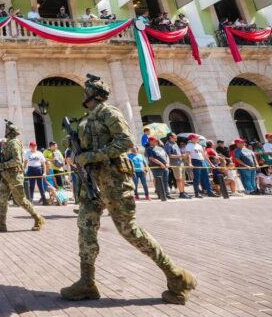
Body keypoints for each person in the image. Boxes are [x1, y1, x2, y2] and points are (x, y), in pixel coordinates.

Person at [60, 74, 196, 305]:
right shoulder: (87, 117)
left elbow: (126, 141)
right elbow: (87, 144)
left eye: (86, 91)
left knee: (128, 229)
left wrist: (91, 155)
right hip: (92, 180)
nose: (83, 94)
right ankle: (87, 281)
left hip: (113, 179)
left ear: (92, 94)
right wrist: (74, 151)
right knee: (85, 226)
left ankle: (176, 276)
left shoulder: (109, 113)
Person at [0, 121, 45, 232]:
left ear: (11, 132)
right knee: (2, 198)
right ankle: (2, 223)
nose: (6, 131)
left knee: (21, 200)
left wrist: (2, 165)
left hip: (14, 175)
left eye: (7, 130)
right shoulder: (9, 143)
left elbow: (17, 161)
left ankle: (38, 218)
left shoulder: (14, 143)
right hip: (6, 175)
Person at [165, 133, 191, 199]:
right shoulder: (168, 144)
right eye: (175, 136)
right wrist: (180, 155)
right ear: (170, 137)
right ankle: (181, 193)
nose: (176, 137)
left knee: (182, 178)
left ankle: (183, 191)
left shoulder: (175, 143)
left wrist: (183, 155)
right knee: (178, 178)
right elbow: (169, 155)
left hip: (181, 162)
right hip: (175, 164)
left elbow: (178, 153)